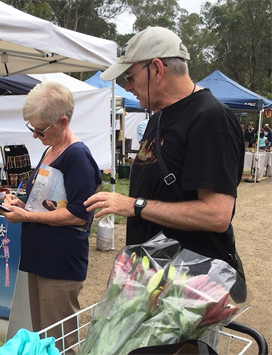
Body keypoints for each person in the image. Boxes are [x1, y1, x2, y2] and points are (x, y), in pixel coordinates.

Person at [84, 27, 246, 299]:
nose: (127, 86)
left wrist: (134, 206)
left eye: (130, 76)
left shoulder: (211, 118)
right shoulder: (158, 118)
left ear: (156, 69)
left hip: (191, 291)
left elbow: (217, 215)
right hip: (151, 280)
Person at [0, 81, 102, 354]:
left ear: (63, 121)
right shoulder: (50, 148)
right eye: (31, 127)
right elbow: (47, 203)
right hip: (40, 258)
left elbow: (80, 215)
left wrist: (28, 217)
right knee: (41, 338)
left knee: (59, 341)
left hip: (60, 264)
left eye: (40, 129)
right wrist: (21, 206)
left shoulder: (77, 156)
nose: (34, 135)